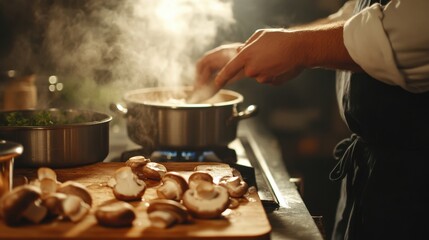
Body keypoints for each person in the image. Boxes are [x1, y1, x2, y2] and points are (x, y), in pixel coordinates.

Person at [193, 0, 429, 239]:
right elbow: (359, 16)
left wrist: (299, 48)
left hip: (415, 182)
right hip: (371, 175)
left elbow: (414, 29)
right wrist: (262, 49)